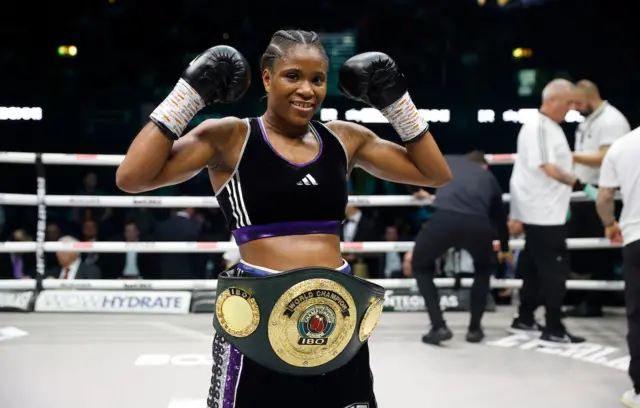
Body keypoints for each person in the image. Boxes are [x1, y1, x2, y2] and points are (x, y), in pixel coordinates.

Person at [116, 30, 451, 408]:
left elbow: (434, 175)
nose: (307, 89)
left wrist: (397, 103)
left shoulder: (344, 138)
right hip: (258, 315)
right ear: (267, 78)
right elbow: (132, 177)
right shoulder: (230, 137)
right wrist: (188, 96)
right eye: (293, 75)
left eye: (317, 79)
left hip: (335, 313)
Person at [508, 78, 589, 346]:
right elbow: (548, 167)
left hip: (542, 211)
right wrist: (582, 184)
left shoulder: (546, 126)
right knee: (555, 271)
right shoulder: (540, 126)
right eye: (568, 104)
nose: (571, 109)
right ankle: (553, 327)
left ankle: (525, 318)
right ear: (552, 100)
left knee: (532, 268)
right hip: (544, 213)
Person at [411, 150, 510, 345]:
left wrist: (414, 190)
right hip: (478, 224)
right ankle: (474, 329)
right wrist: (504, 249)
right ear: (484, 165)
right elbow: (500, 219)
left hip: (444, 219)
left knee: (421, 265)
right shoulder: (488, 176)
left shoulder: (448, 161)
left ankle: (438, 326)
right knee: (483, 270)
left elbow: (414, 167)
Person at [566, 79, 630, 318]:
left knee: (600, 249)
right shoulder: (589, 121)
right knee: (582, 250)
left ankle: (594, 302)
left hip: (602, 192)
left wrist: (569, 157)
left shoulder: (611, 120)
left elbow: (606, 157)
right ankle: (582, 298)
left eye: (577, 102)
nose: (575, 107)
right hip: (585, 192)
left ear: (589, 96)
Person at [595, 126, 640, 407]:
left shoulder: (622, 146)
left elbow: (604, 197)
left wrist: (610, 224)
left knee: (639, 316)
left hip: (637, 236)